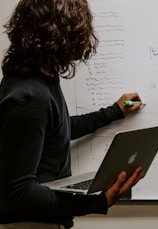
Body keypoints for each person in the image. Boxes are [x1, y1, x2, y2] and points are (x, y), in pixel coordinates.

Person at [0, 0, 145, 228]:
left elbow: (58, 128)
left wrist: (115, 111)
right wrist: (98, 203)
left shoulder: (38, 78)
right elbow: (17, 194)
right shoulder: (29, 95)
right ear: (66, 34)